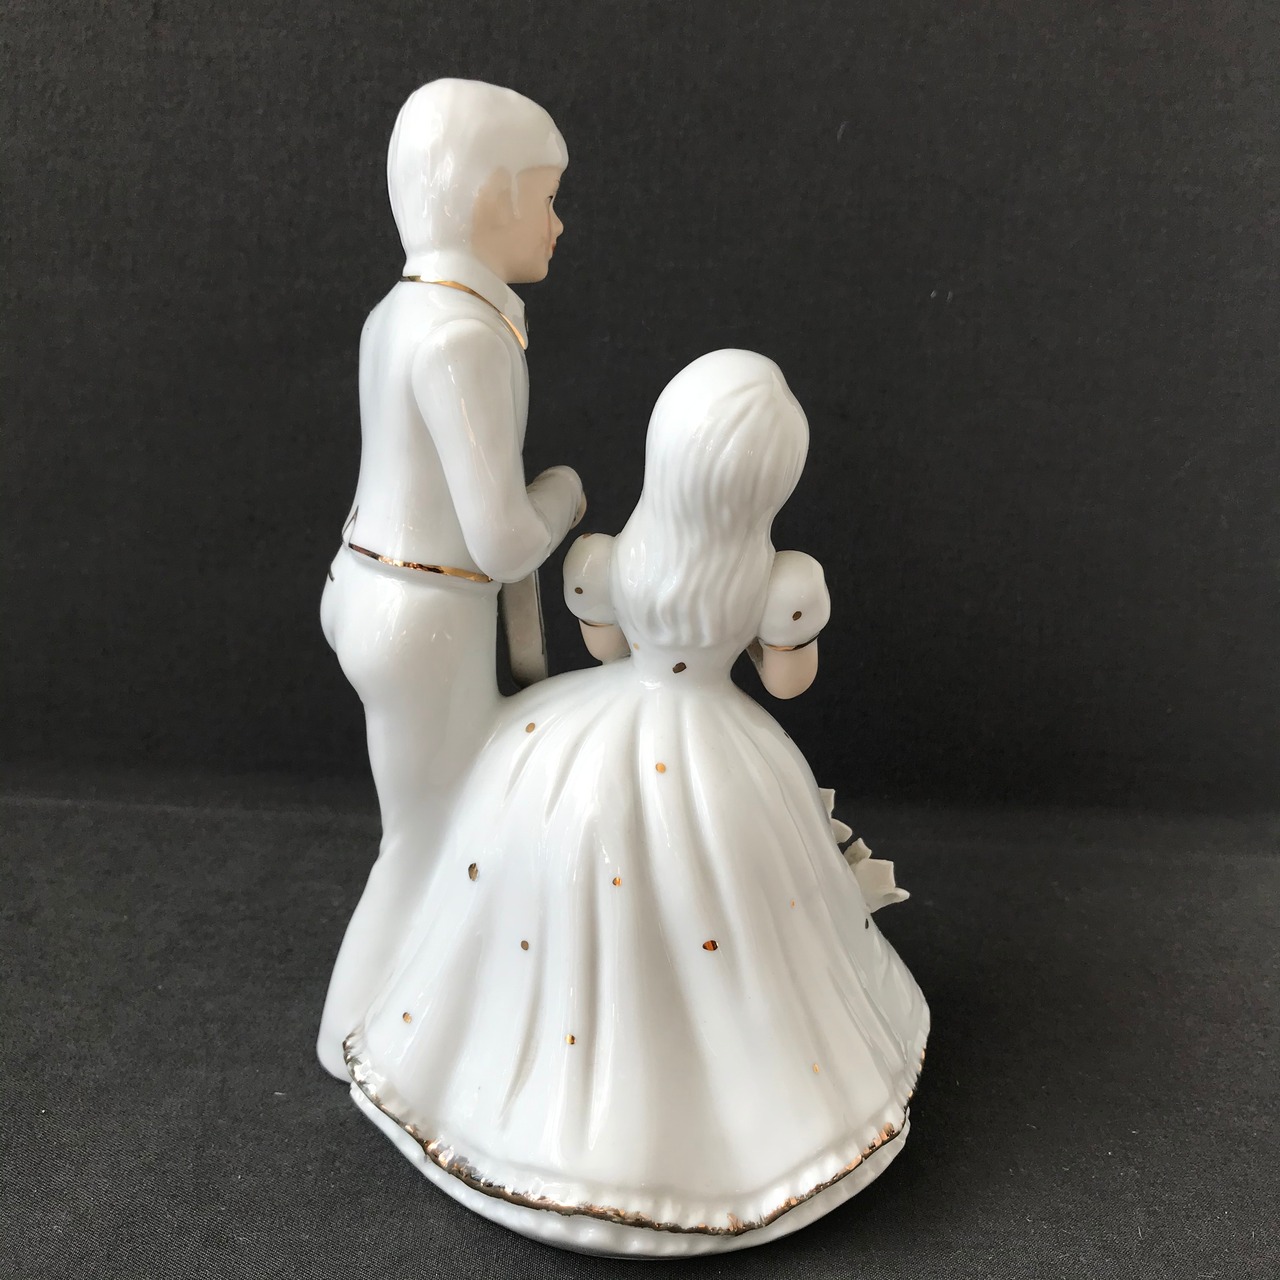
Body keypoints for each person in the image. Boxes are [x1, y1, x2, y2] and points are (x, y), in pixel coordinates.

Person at [341, 351, 930, 1254]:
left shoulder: (608, 555)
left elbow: (607, 649)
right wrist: (783, 629)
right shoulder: (780, 579)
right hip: (719, 749)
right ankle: (712, 1132)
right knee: (731, 919)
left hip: (585, 739)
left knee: (564, 916)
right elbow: (787, 681)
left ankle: (522, 1105)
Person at [315, 80, 585, 1080]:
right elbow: (505, 539)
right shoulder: (463, 336)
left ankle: (432, 1013)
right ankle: (353, 1038)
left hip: (371, 586)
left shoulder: (397, 313)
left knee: (445, 819)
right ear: (489, 199)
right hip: (423, 618)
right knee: (423, 839)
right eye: (546, 198)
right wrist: (563, 494)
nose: (558, 223)